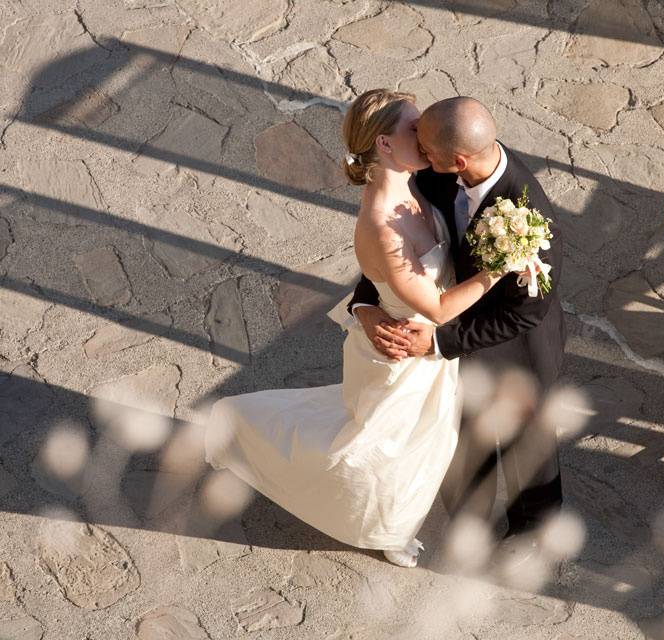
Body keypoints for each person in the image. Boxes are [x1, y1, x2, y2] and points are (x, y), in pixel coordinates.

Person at [205, 89, 505, 568]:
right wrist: (501, 267)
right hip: (399, 354)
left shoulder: (420, 181)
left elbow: (380, 281)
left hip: (419, 346)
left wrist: (364, 306)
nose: (427, 138)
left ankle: (394, 522)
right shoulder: (383, 226)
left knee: (421, 444)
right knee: (375, 450)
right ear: (384, 145)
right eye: (414, 130)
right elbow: (442, 307)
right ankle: (243, 430)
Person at [349, 97, 566, 563]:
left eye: (427, 148)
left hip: (514, 347)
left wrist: (441, 342)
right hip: (442, 336)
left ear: (458, 160)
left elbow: (525, 314)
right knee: (462, 446)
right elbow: (392, 251)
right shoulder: (433, 173)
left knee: (527, 443)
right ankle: (472, 531)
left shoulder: (529, 216)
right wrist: (366, 303)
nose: (421, 154)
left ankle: (535, 533)